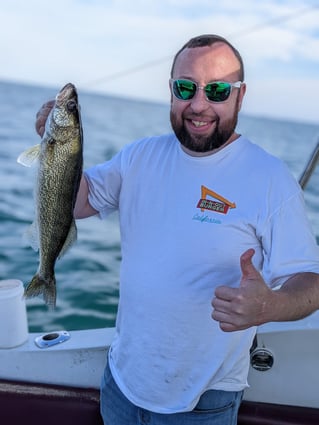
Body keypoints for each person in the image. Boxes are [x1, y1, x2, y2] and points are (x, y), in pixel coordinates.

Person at [36, 34, 319, 425]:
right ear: (171, 90)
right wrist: (56, 148)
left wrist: (269, 306)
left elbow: (310, 280)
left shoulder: (271, 179)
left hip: (203, 401)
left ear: (241, 95)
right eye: (186, 88)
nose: (199, 104)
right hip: (121, 383)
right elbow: (78, 203)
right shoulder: (139, 156)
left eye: (218, 90)